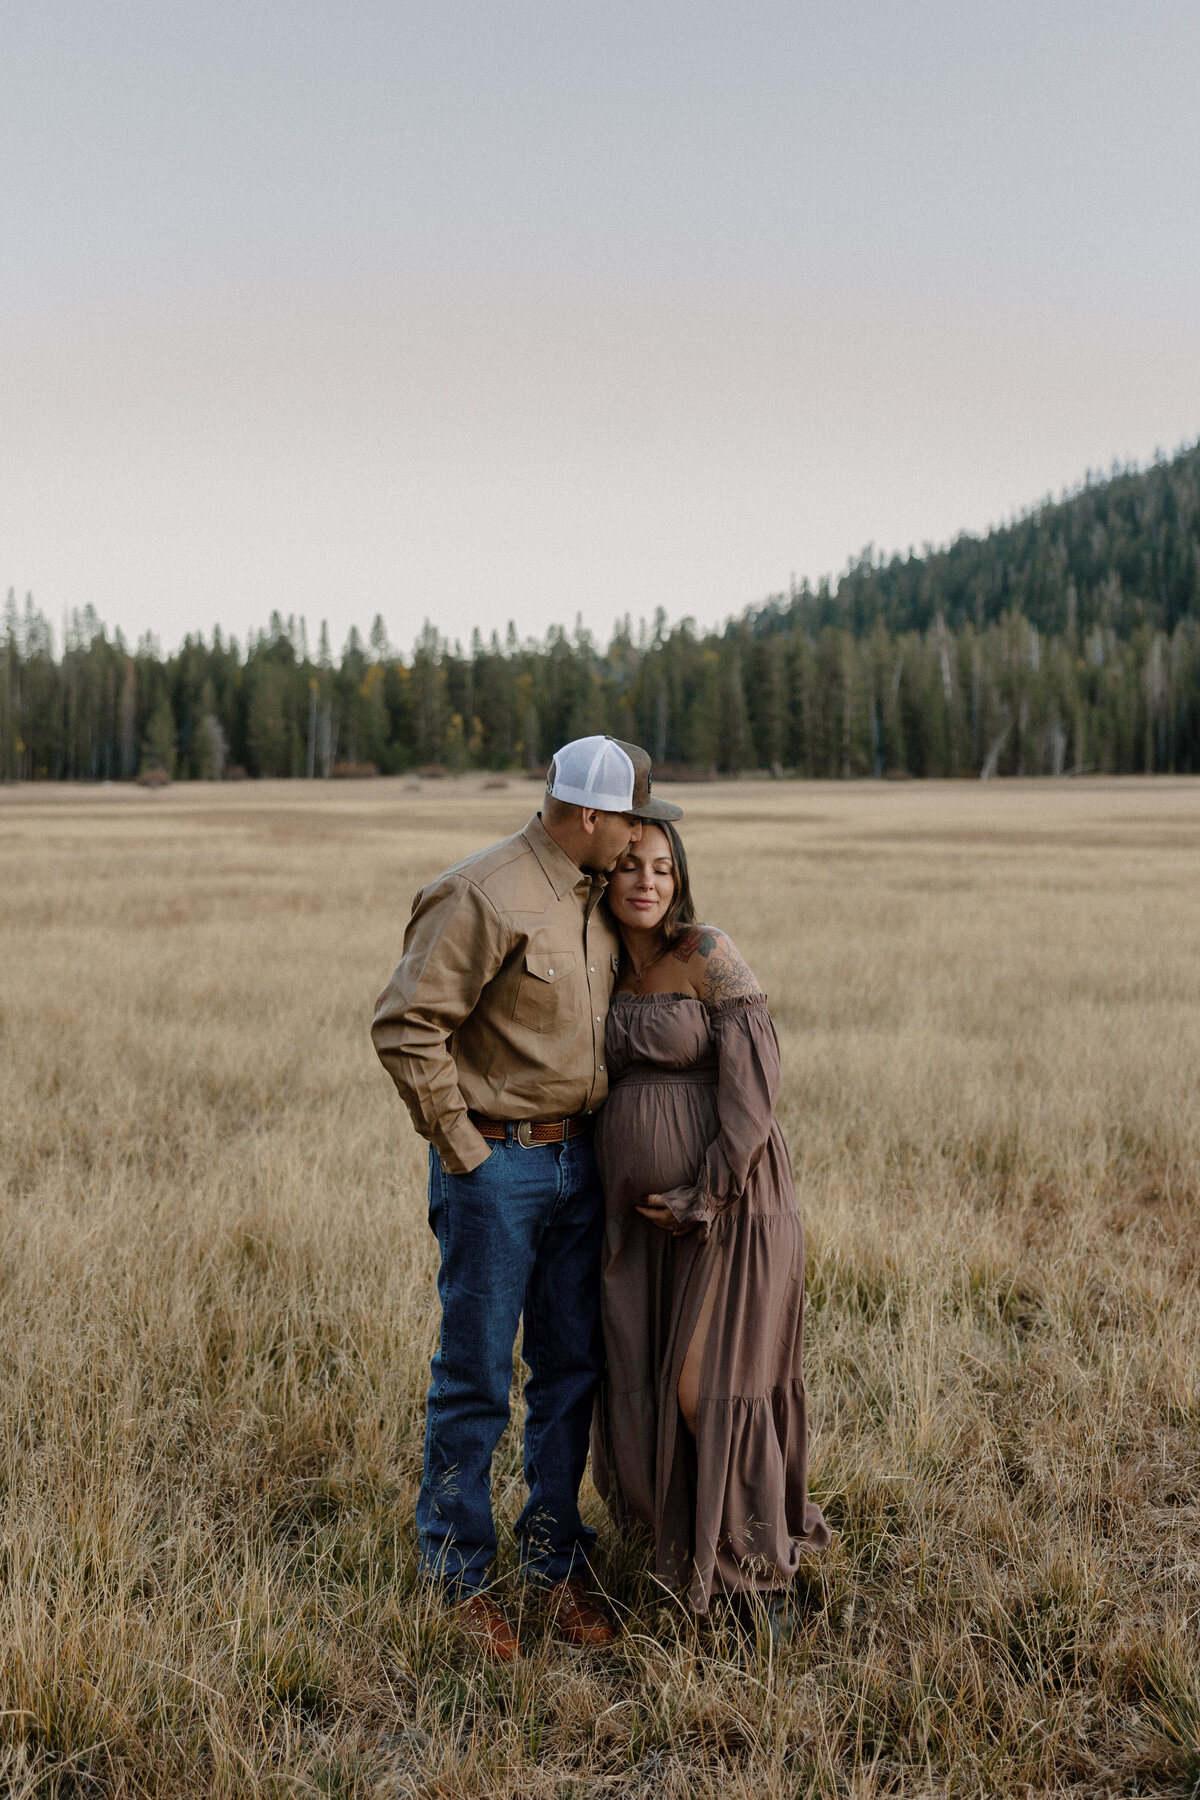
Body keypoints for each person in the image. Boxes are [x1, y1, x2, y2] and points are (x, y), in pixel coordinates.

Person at [371, 736, 683, 1661]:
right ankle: (458, 1578)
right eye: (630, 818)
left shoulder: (590, 896)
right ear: (589, 816)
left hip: (581, 1170)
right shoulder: (480, 892)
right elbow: (406, 1025)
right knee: (473, 1379)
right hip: (497, 1172)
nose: (638, 837)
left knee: (569, 1371)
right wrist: (466, 1154)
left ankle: (553, 1566)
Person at [592, 819, 830, 1623]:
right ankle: (689, 1555)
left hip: (733, 1206)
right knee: (652, 1384)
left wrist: (707, 1191)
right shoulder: (604, 964)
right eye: (629, 866)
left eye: (661, 867)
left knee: (707, 1390)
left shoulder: (707, 951)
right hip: (644, 1228)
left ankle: (756, 1575)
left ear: (679, 877)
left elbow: (754, 1084)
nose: (646, 881)